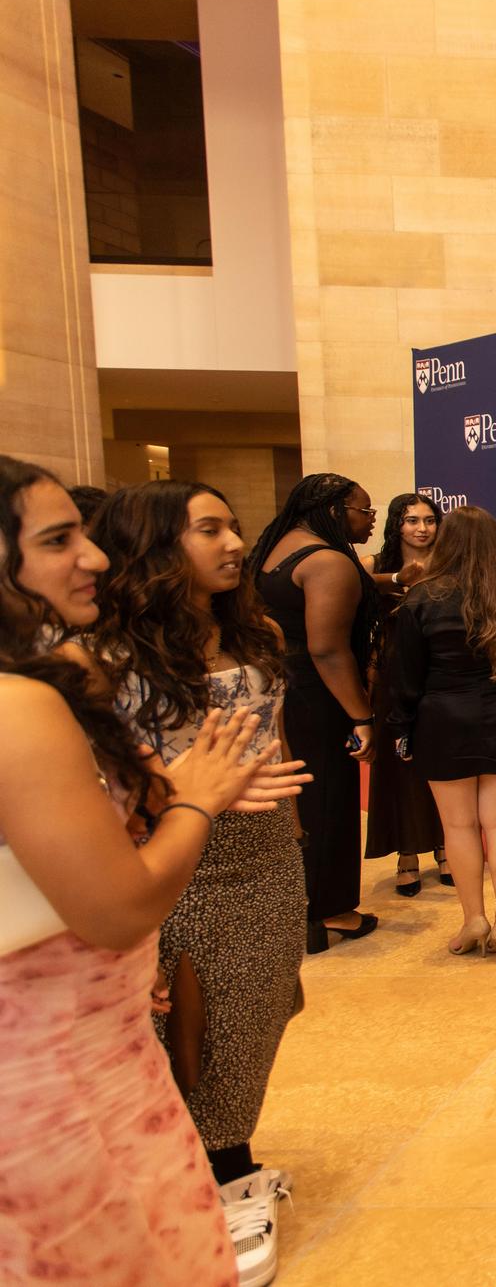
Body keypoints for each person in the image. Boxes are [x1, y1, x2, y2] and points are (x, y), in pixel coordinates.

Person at [0, 456, 299, 1287]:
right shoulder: (34, 698)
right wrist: (194, 798)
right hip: (51, 1077)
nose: (90, 557)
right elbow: (118, 902)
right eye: (59, 540)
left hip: (97, 1040)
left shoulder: (47, 684)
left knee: (250, 1016)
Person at [82, 481, 311, 1209]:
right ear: (152, 548)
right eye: (209, 529)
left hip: (268, 850)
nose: (235, 543)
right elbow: (99, 779)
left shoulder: (259, 633)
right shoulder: (104, 657)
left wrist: (291, 828)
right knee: (184, 1025)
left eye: (233, 526)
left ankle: (229, 1160)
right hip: (175, 854)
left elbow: (270, 734)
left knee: (256, 1012)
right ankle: (199, 1178)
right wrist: (181, 794)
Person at [386, 506, 496, 961]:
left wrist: (400, 729)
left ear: (445, 542)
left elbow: (405, 678)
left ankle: (474, 919)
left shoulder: (420, 598)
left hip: (443, 718)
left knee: (458, 825)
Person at [249, 473, 381, 952]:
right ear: (333, 510)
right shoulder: (327, 561)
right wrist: (362, 716)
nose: (371, 521)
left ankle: (298, 906)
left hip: (278, 690)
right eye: (364, 511)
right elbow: (328, 649)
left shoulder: (274, 548)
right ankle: (331, 912)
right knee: (328, 798)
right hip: (317, 694)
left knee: (296, 803)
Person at [365, 493, 446, 894]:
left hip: (440, 673)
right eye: (412, 520)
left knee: (442, 762)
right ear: (396, 523)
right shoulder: (375, 566)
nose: (422, 528)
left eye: (429, 520)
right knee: (398, 763)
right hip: (393, 674)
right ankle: (407, 854)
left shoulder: (451, 563)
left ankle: (445, 846)